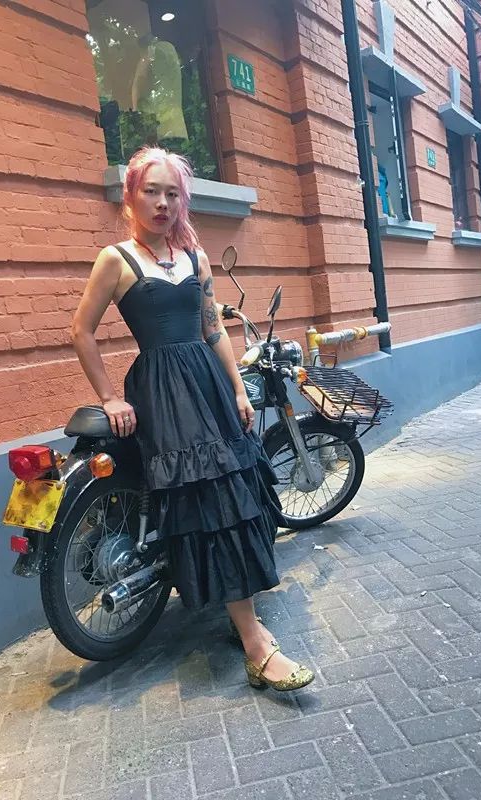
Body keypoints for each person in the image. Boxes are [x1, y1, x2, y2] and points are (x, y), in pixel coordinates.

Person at [72, 146, 314, 691]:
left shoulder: (196, 258)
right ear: (131, 195)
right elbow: (81, 331)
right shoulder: (116, 260)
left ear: (182, 201)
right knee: (212, 498)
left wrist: (238, 389)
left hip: (208, 384)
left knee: (235, 489)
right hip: (162, 391)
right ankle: (255, 645)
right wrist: (109, 397)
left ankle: (238, 610)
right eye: (151, 191)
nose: (162, 203)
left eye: (172, 194)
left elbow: (213, 330)